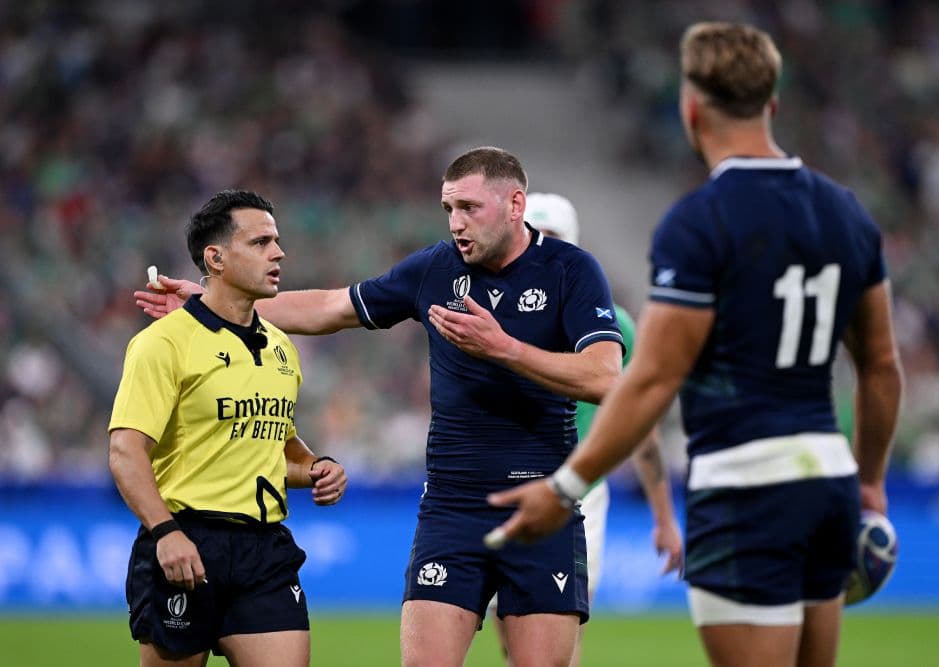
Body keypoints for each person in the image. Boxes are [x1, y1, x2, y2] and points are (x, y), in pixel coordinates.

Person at [489, 22, 904, 667]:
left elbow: (651, 381)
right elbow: (880, 366)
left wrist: (566, 486)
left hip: (743, 485)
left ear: (690, 109)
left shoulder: (698, 222)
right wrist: (871, 483)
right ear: (772, 104)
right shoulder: (845, 211)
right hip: (828, 481)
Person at [134, 147, 626, 667]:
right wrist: (222, 299)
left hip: (541, 504)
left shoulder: (571, 271)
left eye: (469, 209)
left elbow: (605, 378)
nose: (455, 224)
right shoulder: (436, 268)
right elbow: (332, 307)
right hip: (452, 507)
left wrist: (503, 347)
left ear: (514, 204)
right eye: (448, 210)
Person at [109, 189, 348, 667]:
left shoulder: (281, 347)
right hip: (187, 538)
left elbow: (272, 447)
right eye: (260, 242)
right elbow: (125, 451)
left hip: (265, 549)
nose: (278, 253)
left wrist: (315, 466)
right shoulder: (163, 344)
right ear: (215, 258)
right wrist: (166, 533)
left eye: (276, 241)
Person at [485, 192, 682, 667]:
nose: (544, 247)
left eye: (555, 238)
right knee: (514, 642)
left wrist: (663, 516)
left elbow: (641, 426)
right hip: (500, 485)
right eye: (538, 236)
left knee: (557, 641)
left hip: (580, 493)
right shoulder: (492, 318)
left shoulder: (615, 327)